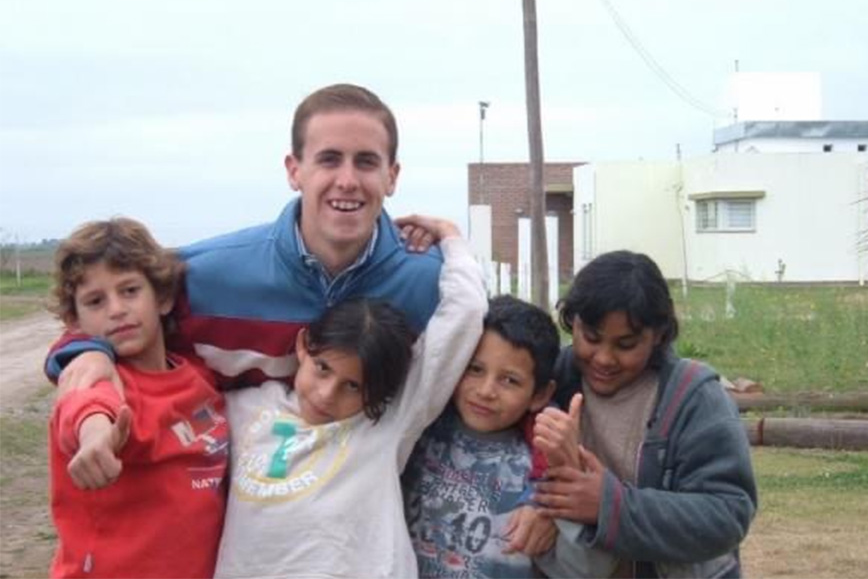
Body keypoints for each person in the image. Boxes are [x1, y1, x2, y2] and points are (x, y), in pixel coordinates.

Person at [46, 83, 443, 390]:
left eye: (366, 162)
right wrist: (88, 356)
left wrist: (454, 248)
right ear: (294, 171)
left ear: (391, 177)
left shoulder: (433, 285)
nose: (347, 180)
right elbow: (104, 318)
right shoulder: (201, 277)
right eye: (329, 159)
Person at [213, 217, 487, 579]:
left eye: (353, 386)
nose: (327, 394)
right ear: (303, 346)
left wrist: (449, 234)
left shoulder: (385, 424)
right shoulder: (243, 407)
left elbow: (464, 313)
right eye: (323, 368)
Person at [532, 250, 757, 578]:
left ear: (659, 335)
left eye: (625, 345)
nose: (604, 358)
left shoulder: (693, 397)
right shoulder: (550, 383)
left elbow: (727, 514)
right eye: (591, 338)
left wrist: (609, 506)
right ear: (572, 321)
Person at [47, 218, 229, 578]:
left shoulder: (201, 376)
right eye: (95, 301)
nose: (116, 309)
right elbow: (86, 407)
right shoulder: (100, 379)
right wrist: (96, 438)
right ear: (76, 321)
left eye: (129, 290)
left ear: (162, 298)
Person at [402, 295, 561, 578]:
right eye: (474, 369)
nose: (486, 390)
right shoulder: (417, 431)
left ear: (540, 395)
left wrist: (545, 507)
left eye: (509, 380)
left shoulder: (541, 475)